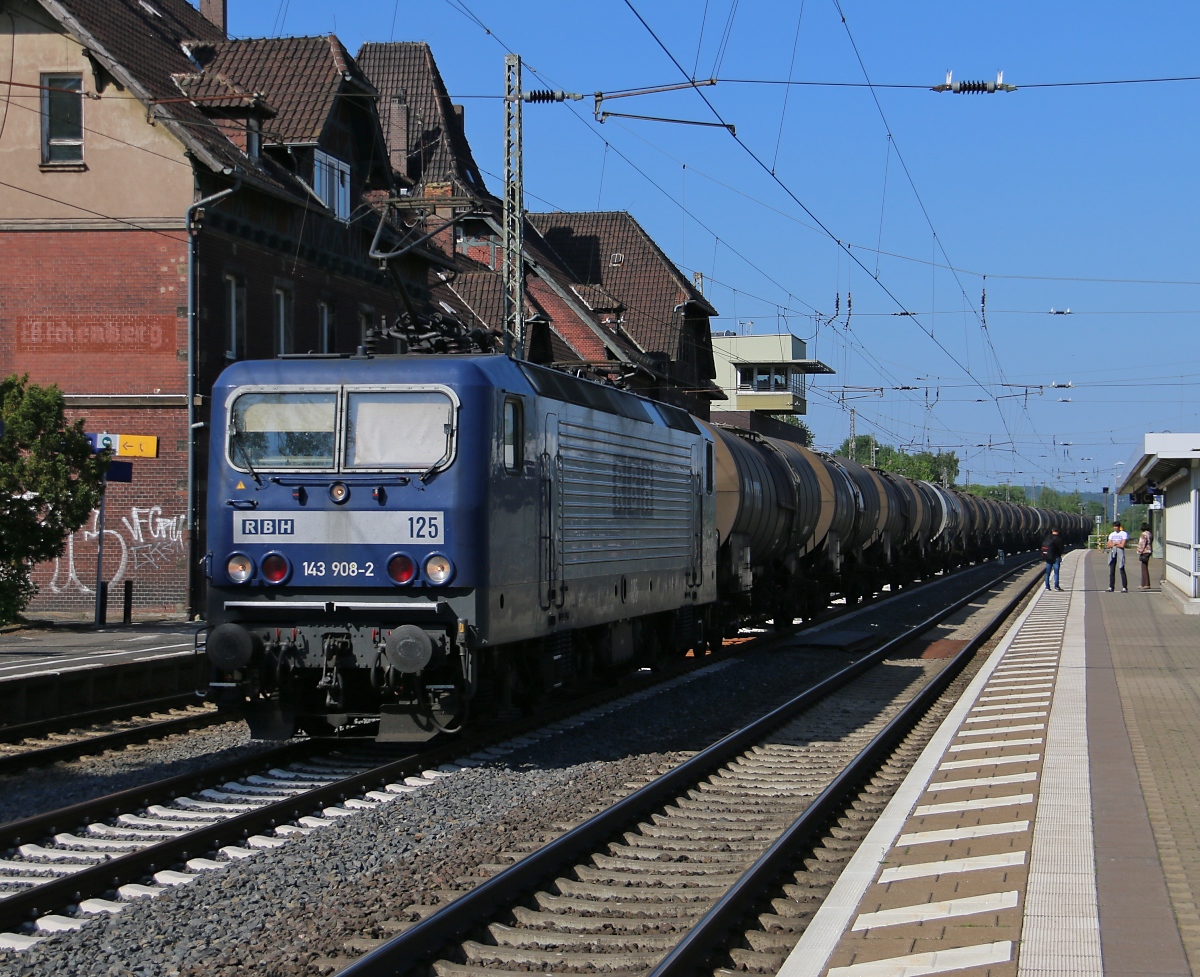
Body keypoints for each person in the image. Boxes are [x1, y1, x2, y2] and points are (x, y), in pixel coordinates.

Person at [1106, 520, 1128, 592]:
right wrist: (1116, 544)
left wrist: (1114, 543)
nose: (1115, 528)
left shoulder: (1123, 534)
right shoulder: (1111, 534)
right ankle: (1111, 586)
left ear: (1119, 527)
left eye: (1116, 527)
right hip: (1113, 552)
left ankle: (1124, 587)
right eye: (1114, 527)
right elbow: (1108, 545)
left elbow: (1122, 545)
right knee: (1112, 570)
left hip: (1120, 552)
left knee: (1121, 568)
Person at [1137, 522, 1153, 589]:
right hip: (1149, 550)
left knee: (1144, 568)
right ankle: (1143, 584)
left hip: (1145, 551)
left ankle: (1146, 584)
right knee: (1144, 567)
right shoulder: (1149, 533)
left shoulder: (1143, 534)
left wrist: (1139, 551)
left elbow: (1142, 543)